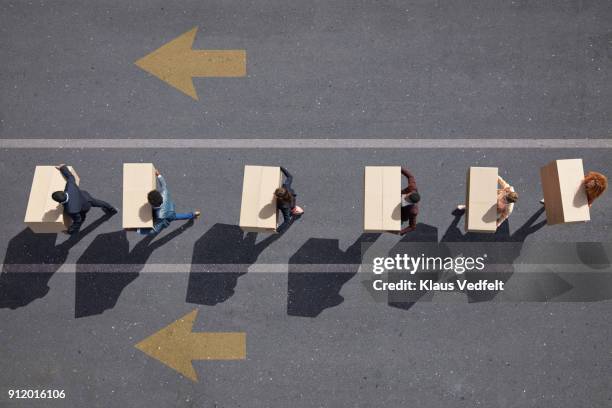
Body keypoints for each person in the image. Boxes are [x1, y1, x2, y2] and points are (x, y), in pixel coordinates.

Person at [51, 164, 117, 235]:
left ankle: (73, 231)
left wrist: (69, 230)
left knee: (81, 219)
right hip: (86, 197)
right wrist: (62, 167)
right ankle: (112, 209)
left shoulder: (71, 210)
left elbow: (77, 220)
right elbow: (70, 177)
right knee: (99, 202)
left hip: (84, 207)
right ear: (63, 192)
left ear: (59, 201)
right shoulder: (70, 187)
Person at [136, 169, 200, 235]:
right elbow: (163, 185)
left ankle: (192, 215)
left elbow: (155, 231)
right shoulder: (164, 193)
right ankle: (193, 214)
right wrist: (158, 175)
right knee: (177, 216)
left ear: (153, 204)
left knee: (177, 217)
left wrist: (138, 230)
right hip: (170, 208)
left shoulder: (161, 216)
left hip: (168, 216)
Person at [540, 171, 607, 207]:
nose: (588, 184)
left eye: (590, 186)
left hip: (585, 196)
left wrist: (584, 210)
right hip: (575, 187)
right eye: (589, 182)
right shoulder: (590, 178)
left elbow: (590, 200)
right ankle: (548, 199)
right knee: (561, 190)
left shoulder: (594, 193)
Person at [274, 167, 303, 233]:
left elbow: (287, 221)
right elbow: (290, 177)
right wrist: (281, 168)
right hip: (291, 203)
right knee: (291, 211)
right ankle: (296, 211)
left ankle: (295, 212)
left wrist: (277, 230)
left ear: (280, 198)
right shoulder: (286, 187)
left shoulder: (284, 206)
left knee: (289, 214)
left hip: (290, 206)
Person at [398, 167, 420, 235]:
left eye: (407, 200)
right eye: (406, 196)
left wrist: (401, 232)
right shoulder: (412, 188)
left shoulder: (413, 211)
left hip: (399, 215)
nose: (404, 198)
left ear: (412, 203)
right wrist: (400, 169)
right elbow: (410, 176)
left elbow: (412, 226)